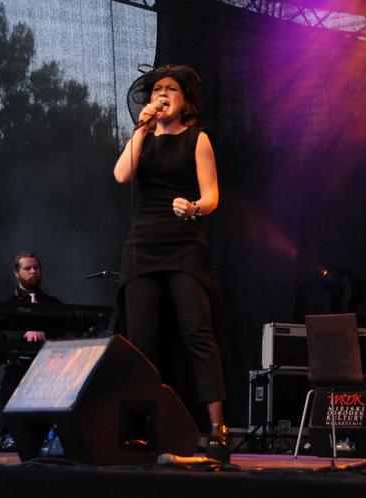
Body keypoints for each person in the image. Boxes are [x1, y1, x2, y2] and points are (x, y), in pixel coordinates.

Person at [113, 65, 229, 461]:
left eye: (171, 90)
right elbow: (121, 175)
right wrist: (142, 127)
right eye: (156, 90)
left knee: (198, 333)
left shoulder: (197, 139)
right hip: (143, 244)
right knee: (140, 341)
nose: (162, 95)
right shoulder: (142, 138)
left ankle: (217, 429)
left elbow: (212, 197)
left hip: (184, 244)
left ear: (185, 101)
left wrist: (193, 207)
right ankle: (143, 428)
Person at [0, 251, 63, 451]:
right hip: (16, 361)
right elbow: (0, 332)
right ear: (17, 273)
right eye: (27, 268)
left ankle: (51, 434)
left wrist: (45, 333)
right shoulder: (6, 304)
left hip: (47, 363)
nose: (33, 271)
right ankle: (8, 433)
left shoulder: (53, 304)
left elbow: (65, 331)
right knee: (8, 372)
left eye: (36, 268)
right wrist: (24, 333)